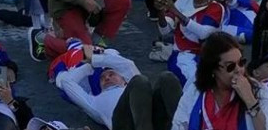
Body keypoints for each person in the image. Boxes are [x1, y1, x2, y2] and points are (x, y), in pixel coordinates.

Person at [53, 41, 183, 130]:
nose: (107, 77)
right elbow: (67, 83)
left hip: (153, 121)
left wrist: (94, 58)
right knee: (139, 81)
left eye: (111, 74)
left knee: (167, 78)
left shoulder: (130, 83)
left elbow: (127, 65)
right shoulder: (93, 101)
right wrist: (89, 66)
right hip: (124, 125)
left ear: (124, 80)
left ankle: (184, 126)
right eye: (102, 78)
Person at [172, 32, 268, 130]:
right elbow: (179, 125)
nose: (238, 70)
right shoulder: (195, 92)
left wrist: (251, 101)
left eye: (241, 62)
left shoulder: (259, 90)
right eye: (230, 66)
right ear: (213, 69)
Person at [152, 0, 226, 83]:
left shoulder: (215, 8)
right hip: (182, 56)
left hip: (208, 58)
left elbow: (204, 33)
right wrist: (160, 11)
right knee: (194, 82)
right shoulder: (181, 2)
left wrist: (175, 11)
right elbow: (165, 30)